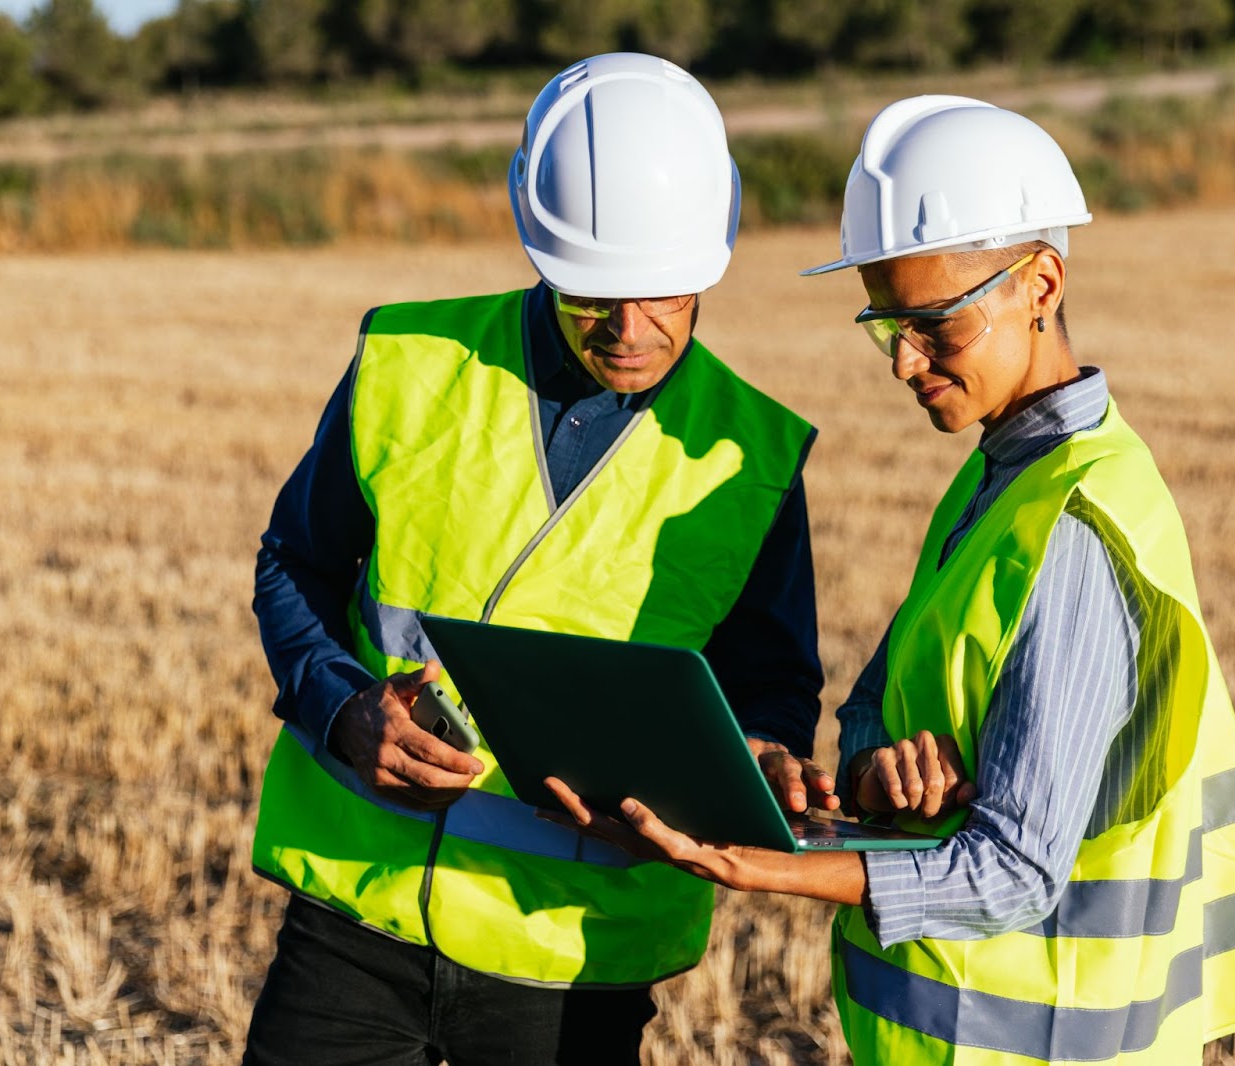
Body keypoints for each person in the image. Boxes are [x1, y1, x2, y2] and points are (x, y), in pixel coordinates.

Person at [546, 96, 1235, 1064]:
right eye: (885, 325)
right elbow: (873, 707)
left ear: (1039, 284)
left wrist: (774, 862)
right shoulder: (996, 483)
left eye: (933, 325)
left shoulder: (1073, 524)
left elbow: (1014, 872)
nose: (904, 361)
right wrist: (874, 773)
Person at [240, 52, 861, 1066]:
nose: (628, 329)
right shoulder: (408, 364)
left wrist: (760, 758)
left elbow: (771, 686)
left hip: (576, 960)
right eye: (592, 296)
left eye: (664, 295)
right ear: (537, 246)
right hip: (355, 924)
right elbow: (293, 564)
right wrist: (343, 710)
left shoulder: (749, 454)